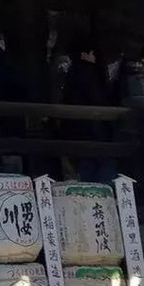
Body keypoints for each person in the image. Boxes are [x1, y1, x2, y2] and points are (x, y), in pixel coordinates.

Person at [63, 36, 115, 182]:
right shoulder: (89, 72)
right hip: (95, 130)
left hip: (79, 130)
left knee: (87, 169)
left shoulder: (73, 72)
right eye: (92, 52)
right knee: (101, 168)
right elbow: (97, 99)